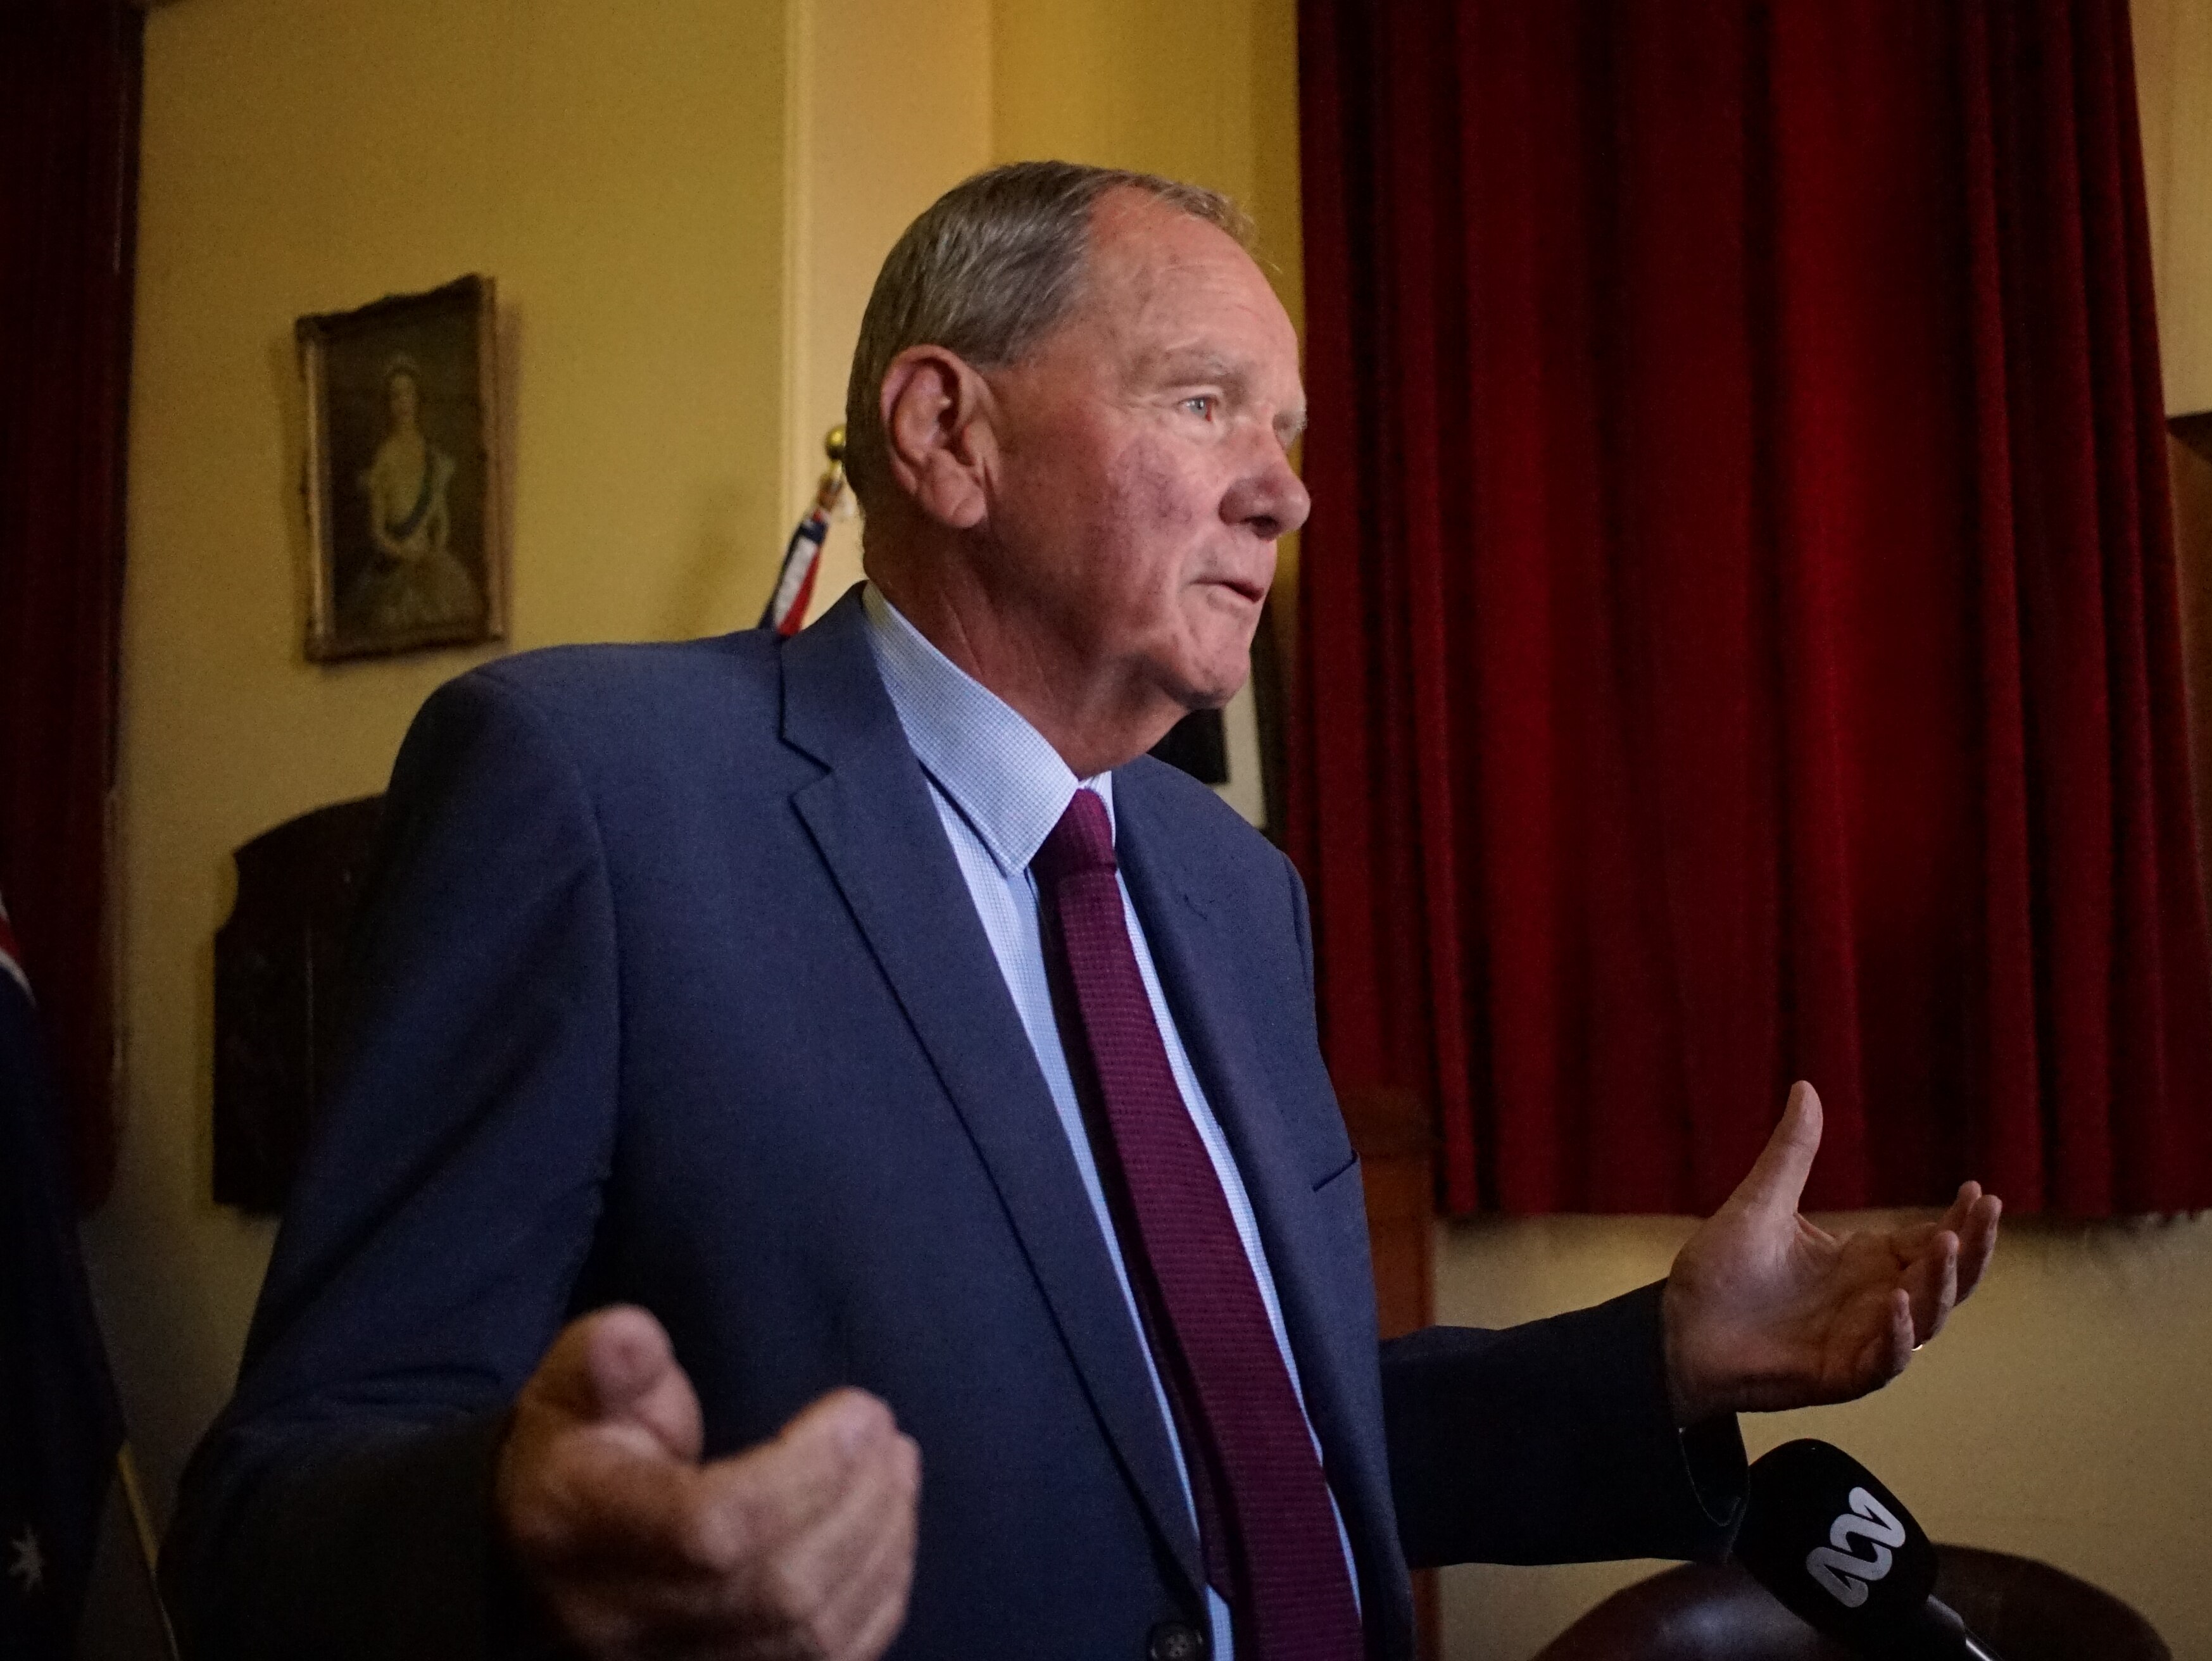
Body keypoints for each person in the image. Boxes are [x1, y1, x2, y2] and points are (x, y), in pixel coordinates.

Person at [163, 163, 2001, 1661]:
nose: (1287, 488)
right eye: (1206, 404)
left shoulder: (1233, 890)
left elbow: (1247, 1444)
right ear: (946, 433)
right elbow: (273, 1510)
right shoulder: (590, 787)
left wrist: (1667, 1357)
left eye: (1286, 430)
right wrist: (514, 1544)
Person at [340, 356, 482, 642]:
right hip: (395, 570)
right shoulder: (384, 459)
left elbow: (441, 519)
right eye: (395, 396)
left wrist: (434, 552)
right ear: (388, 405)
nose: (403, 402)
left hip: (432, 565)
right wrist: (406, 555)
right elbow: (378, 532)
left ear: (418, 399)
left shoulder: (435, 459)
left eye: (408, 393)